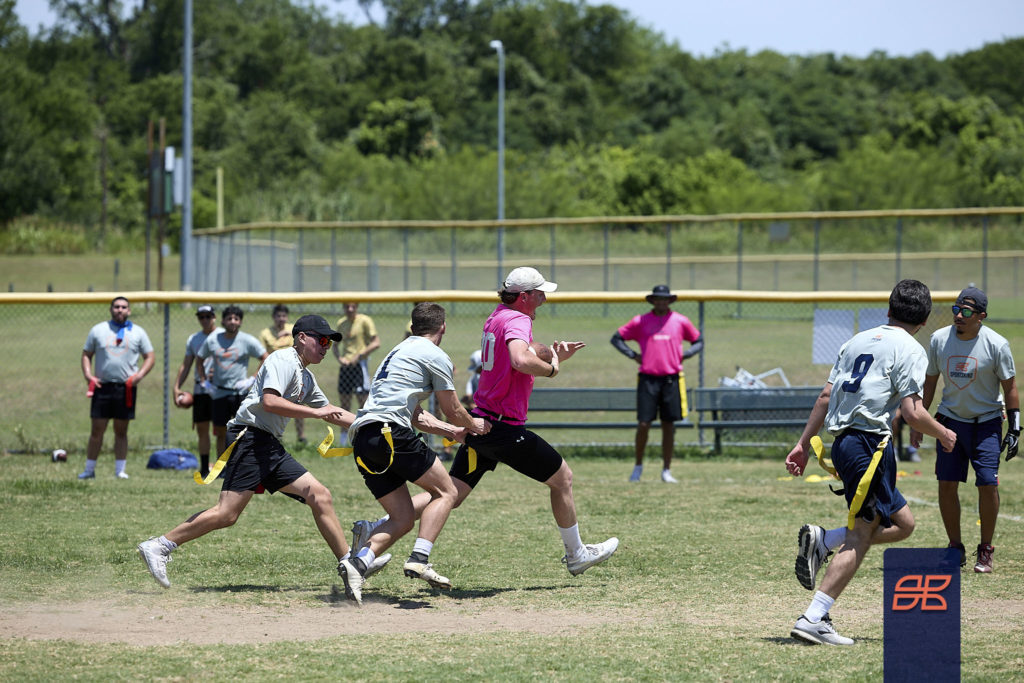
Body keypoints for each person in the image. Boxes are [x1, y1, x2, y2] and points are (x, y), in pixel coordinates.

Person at [359, 267, 619, 578]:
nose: (544, 298)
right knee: (562, 478)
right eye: (539, 293)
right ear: (524, 297)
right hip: (503, 428)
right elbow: (520, 360)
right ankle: (577, 554)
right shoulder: (519, 319)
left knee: (450, 493)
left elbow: (513, 366)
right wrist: (553, 368)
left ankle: (375, 530)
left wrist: (553, 358)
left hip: (481, 423)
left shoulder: (496, 315)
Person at [137, 315, 389, 591]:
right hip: (250, 438)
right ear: (302, 337)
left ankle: (349, 564)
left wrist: (373, 424)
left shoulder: (304, 374)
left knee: (320, 495)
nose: (326, 346)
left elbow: (332, 412)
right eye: (323, 339)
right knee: (227, 513)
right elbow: (270, 402)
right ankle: (160, 545)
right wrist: (316, 412)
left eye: (329, 342)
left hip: (267, 443)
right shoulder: (283, 360)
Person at [784, 279, 957, 646]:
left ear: (888, 310)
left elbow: (826, 395)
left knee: (904, 523)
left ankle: (825, 540)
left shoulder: (856, 340)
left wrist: (802, 444)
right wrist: (943, 433)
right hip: (868, 446)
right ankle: (814, 617)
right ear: (924, 320)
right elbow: (912, 412)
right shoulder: (912, 348)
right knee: (862, 534)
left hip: (847, 443)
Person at [337, 303, 491, 604]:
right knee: (447, 492)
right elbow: (453, 407)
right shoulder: (435, 355)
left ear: (412, 326)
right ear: (442, 327)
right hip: (390, 433)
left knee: (403, 517)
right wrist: (474, 424)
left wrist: (452, 432)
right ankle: (420, 558)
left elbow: (416, 414)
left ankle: (357, 564)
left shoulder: (397, 352)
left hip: (364, 438)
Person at [910, 286, 1018, 573]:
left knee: (987, 482)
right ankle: (955, 547)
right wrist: (919, 420)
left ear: (981, 316)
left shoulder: (997, 345)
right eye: (956, 309)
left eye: (966, 311)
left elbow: (1010, 388)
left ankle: (986, 550)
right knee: (946, 483)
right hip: (950, 421)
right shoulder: (938, 340)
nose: (959, 315)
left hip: (987, 423)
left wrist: (1016, 427)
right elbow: (930, 383)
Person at [611, 284, 703, 484]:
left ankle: (666, 470)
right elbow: (617, 338)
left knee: (668, 425)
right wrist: (633, 355)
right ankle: (638, 466)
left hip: (671, 379)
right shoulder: (640, 321)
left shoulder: (680, 321)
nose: (661, 302)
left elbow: (698, 340)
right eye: (658, 299)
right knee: (644, 424)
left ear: (670, 300)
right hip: (648, 379)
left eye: (665, 299)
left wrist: (686, 354)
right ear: (652, 300)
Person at [79, 296, 155, 480]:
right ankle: (89, 470)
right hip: (102, 386)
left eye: (123, 307)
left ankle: (120, 470)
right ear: (111, 309)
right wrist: (89, 375)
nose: (120, 310)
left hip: (125, 388)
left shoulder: (138, 332)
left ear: (129, 310)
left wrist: (139, 376)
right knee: (97, 429)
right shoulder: (98, 330)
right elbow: (86, 354)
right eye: (116, 307)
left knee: (121, 430)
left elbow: (150, 356)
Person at [197, 305, 268, 458]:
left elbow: (265, 357)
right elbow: (199, 359)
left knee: (242, 431)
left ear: (240, 322)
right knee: (220, 431)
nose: (232, 322)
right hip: (219, 392)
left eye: (236, 319)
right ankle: (221, 468)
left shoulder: (247, 340)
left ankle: (240, 466)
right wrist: (205, 382)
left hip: (240, 393)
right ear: (222, 321)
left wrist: (252, 379)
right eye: (229, 318)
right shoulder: (214, 339)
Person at [258, 304, 305, 444]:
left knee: (298, 404)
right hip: (274, 374)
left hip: (293, 372)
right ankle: (273, 435)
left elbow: (302, 347)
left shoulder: (293, 330)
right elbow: (262, 354)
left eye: (284, 316)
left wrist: (289, 335)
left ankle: (301, 437)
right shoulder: (266, 333)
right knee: (274, 404)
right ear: (273, 317)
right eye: (278, 316)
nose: (281, 319)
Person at [333, 302, 381, 414]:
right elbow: (335, 346)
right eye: (346, 306)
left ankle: (363, 429)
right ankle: (344, 431)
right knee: (344, 402)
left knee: (363, 401)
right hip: (346, 366)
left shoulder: (365, 320)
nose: (350, 309)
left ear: (357, 307)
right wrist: (340, 358)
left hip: (360, 365)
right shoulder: (341, 323)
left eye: (352, 306)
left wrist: (359, 356)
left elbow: (376, 342)